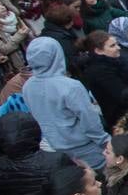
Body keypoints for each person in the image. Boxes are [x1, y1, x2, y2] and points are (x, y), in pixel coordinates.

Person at [22, 37, 110, 170]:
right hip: (86, 148)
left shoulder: (28, 86)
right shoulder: (70, 86)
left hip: (57, 148)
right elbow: (89, 119)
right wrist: (105, 142)